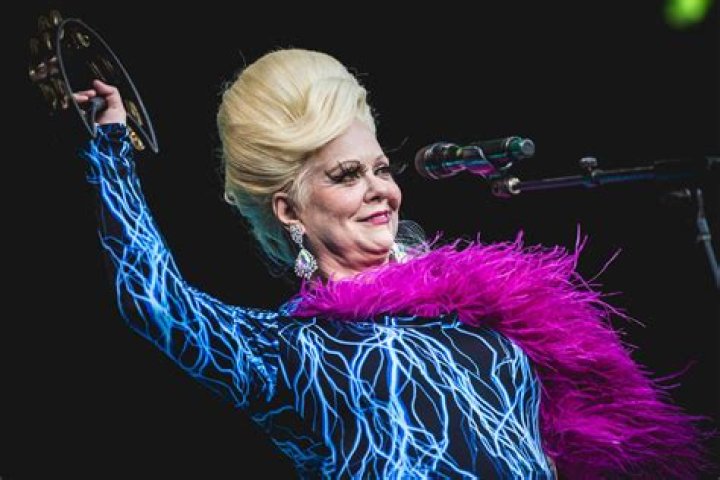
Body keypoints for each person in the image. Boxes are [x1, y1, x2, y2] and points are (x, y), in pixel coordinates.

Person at [74, 48, 710, 479]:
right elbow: (154, 300)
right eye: (347, 175)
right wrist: (111, 150)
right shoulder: (287, 349)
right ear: (290, 210)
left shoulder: (475, 306)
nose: (379, 189)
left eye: (381, 168)